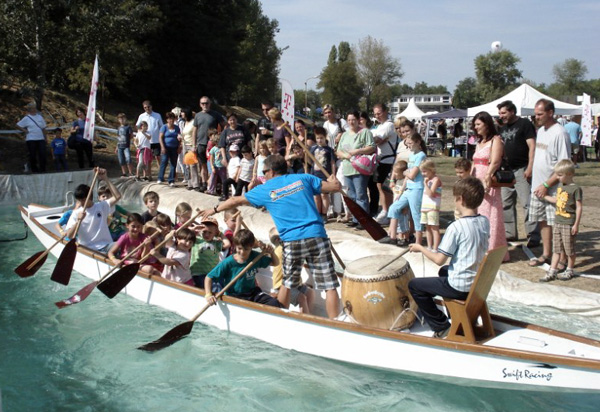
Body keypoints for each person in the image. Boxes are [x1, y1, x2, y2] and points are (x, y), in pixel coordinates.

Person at [201, 154, 342, 318]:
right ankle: (336, 322)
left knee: (287, 284)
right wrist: (334, 181)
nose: (263, 176)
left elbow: (234, 200)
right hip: (317, 235)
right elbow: (334, 187)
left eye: (264, 172)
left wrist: (214, 210)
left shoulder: (265, 189)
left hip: (291, 240)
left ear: (272, 171)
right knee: (329, 286)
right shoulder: (304, 178)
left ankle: (279, 317)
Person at [408, 176, 489, 338]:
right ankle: (457, 315)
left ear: (461, 199)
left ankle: (441, 326)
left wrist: (420, 248)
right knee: (444, 271)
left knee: (415, 286)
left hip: (460, 286)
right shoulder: (484, 221)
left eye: (455, 198)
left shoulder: (456, 227)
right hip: (477, 284)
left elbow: (439, 260)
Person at [528, 99, 571, 268]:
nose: (536, 117)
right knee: (543, 221)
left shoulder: (560, 133)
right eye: (535, 114)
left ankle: (562, 258)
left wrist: (546, 185)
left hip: (553, 188)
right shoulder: (541, 131)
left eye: (540, 114)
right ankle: (546, 254)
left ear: (550, 113)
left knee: (558, 224)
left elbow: (564, 165)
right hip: (538, 186)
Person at [497, 100, 540, 246]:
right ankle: (510, 234)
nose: (501, 116)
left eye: (503, 113)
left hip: (522, 169)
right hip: (506, 172)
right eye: (499, 113)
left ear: (512, 111)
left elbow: (532, 146)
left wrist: (530, 167)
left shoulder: (524, 124)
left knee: (527, 203)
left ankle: (533, 236)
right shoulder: (502, 128)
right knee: (506, 203)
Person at [205, 229, 281, 308]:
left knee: (274, 303)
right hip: (234, 296)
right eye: (239, 248)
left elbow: (275, 263)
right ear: (235, 246)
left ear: (252, 246)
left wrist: (272, 253)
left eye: (246, 249)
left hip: (252, 293)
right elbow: (209, 277)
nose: (242, 252)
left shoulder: (255, 257)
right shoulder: (228, 262)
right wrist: (208, 294)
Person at [470, 111, 509, 261]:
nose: (476, 127)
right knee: (478, 213)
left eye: (478, 124)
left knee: (490, 215)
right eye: (475, 124)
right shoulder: (479, 142)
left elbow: (495, 161)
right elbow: (474, 162)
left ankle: (492, 248)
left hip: (488, 182)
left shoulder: (496, 140)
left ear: (487, 124)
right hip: (476, 181)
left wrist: (488, 176)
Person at [539, 160, 582, 282]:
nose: (557, 177)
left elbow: (579, 207)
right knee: (556, 249)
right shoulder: (561, 186)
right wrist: (545, 196)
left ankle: (569, 270)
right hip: (558, 222)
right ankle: (552, 271)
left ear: (569, 174)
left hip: (568, 224)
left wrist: (576, 224)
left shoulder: (576, 189)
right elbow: (557, 200)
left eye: (560, 175)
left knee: (569, 249)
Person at [383, 132, 427, 247]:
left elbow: (412, 175)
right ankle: (392, 237)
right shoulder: (412, 155)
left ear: (418, 142)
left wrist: (406, 172)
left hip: (417, 188)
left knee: (416, 214)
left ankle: (418, 241)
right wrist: (402, 190)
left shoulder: (421, 155)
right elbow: (407, 175)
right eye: (407, 144)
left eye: (410, 143)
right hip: (409, 188)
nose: (408, 146)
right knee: (394, 208)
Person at [336, 110, 376, 229]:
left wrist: (357, 151)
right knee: (351, 195)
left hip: (360, 169)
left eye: (353, 119)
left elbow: (372, 147)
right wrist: (346, 155)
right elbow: (338, 151)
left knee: (361, 195)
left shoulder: (365, 132)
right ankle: (355, 218)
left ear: (358, 120)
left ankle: (364, 220)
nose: (351, 122)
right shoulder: (345, 134)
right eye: (349, 120)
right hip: (347, 168)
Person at [65, 168, 121, 252]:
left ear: (90, 197)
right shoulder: (76, 213)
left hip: (107, 244)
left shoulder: (101, 206)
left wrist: (105, 178)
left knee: (122, 244)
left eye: (83, 200)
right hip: (89, 248)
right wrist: (78, 221)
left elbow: (117, 196)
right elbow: (69, 235)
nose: (81, 203)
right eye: (79, 200)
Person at [269, 227, 313, 313]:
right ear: (278, 240)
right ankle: (306, 318)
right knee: (302, 298)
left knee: (310, 292)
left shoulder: (287, 248)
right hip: (281, 286)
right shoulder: (280, 250)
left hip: (294, 283)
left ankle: (308, 315)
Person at [370, 104, 397, 225]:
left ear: (386, 112)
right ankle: (385, 210)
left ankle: (388, 212)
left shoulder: (389, 125)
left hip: (388, 160)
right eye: (375, 114)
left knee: (386, 188)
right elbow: (376, 140)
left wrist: (373, 140)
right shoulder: (379, 126)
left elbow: (376, 140)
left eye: (379, 113)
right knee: (380, 186)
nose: (377, 116)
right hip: (381, 160)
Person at [192, 96, 225, 192]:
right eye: (203, 103)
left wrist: (220, 137)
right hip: (201, 144)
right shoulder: (197, 115)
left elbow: (224, 125)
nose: (205, 105)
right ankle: (204, 184)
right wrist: (194, 145)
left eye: (206, 103)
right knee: (203, 165)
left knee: (216, 165)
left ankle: (217, 185)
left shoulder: (215, 114)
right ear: (200, 104)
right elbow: (194, 130)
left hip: (212, 145)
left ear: (210, 104)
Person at [190, 217, 228, 289]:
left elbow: (227, 244)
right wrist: (193, 229)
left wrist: (220, 234)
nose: (207, 235)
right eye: (204, 232)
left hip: (211, 274)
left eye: (210, 232)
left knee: (216, 288)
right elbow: (182, 234)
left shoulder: (216, 243)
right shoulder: (196, 240)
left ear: (215, 233)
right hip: (197, 273)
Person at [310, 127, 336, 222]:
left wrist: (333, 175)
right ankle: (318, 214)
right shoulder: (313, 149)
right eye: (317, 138)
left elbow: (332, 163)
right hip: (314, 175)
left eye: (321, 138)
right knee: (316, 196)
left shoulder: (329, 150)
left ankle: (324, 214)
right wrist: (305, 154)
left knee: (324, 195)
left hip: (325, 175)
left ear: (325, 137)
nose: (319, 140)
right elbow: (309, 161)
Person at [136, 100, 164, 181]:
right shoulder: (141, 116)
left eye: (148, 107)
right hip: (146, 143)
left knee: (158, 157)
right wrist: (140, 134)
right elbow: (137, 126)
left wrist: (162, 137)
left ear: (151, 106)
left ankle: (161, 175)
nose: (147, 109)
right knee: (146, 159)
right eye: (145, 107)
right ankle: (147, 175)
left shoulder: (157, 115)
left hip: (156, 140)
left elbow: (161, 126)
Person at [16, 101, 47, 173]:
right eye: (32, 108)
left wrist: (45, 137)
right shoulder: (26, 118)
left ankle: (42, 169)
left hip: (40, 138)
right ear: (29, 110)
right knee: (32, 155)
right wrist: (24, 130)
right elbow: (18, 125)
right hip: (31, 139)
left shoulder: (40, 117)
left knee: (42, 154)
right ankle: (34, 169)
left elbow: (44, 128)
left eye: (35, 108)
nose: (34, 109)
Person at [420, 160, 442, 252]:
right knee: (427, 227)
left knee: (434, 228)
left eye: (425, 171)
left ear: (431, 170)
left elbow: (431, 194)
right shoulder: (428, 180)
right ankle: (429, 246)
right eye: (422, 171)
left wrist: (425, 184)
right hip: (425, 207)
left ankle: (435, 247)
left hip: (432, 207)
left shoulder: (436, 180)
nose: (423, 174)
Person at [157, 112, 181, 186]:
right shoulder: (164, 127)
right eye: (169, 119)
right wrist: (162, 147)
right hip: (166, 147)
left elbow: (179, 137)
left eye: (172, 119)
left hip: (174, 148)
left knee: (173, 163)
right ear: (167, 120)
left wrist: (179, 146)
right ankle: (160, 178)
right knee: (164, 161)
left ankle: (171, 180)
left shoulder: (177, 128)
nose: (171, 120)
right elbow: (160, 138)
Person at [180, 107, 200, 191]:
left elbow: (195, 134)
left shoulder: (193, 122)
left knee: (192, 165)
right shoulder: (184, 123)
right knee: (187, 165)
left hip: (191, 145)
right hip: (185, 145)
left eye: (183, 112)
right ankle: (189, 183)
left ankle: (196, 184)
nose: (181, 114)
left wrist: (194, 146)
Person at [207, 129, 226, 195]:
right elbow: (211, 158)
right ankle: (211, 190)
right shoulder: (214, 149)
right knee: (213, 179)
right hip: (216, 166)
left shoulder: (223, 148)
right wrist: (212, 166)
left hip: (222, 167)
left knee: (223, 179)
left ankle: (224, 191)